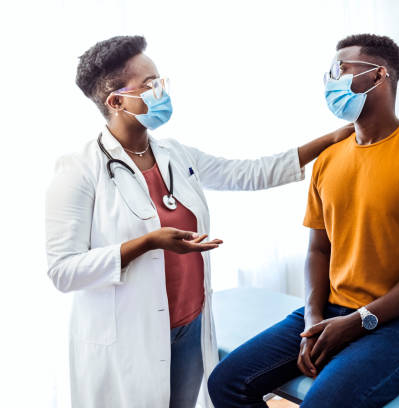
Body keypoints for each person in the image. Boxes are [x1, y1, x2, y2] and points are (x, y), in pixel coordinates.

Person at [44, 35, 353, 408]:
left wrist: (332, 139)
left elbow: (249, 173)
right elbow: (63, 270)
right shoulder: (78, 170)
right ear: (116, 101)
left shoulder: (173, 153)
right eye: (150, 85)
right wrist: (148, 242)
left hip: (189, 325)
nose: (161, 91)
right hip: (131, 334)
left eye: (160, 81)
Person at [208, 33, 399, 408]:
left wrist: (358, 322)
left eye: (341, 70)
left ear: (378, 76)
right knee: (227, 382)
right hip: (333, 309)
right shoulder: (330, 159)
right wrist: (312, 317)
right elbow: (319, 250)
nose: (331, 81)